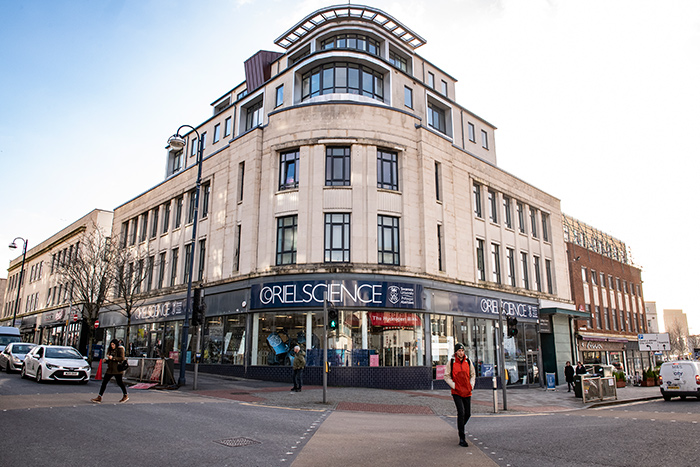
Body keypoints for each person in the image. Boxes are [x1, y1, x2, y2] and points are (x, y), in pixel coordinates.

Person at [444, 343, 476, 447]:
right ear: (456, 352)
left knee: (468, 414)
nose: (461, 353)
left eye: (462, 351)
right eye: (459, 351)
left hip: (467, 391)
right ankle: (462, 438)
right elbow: (446, 376)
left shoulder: (468, 362)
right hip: (457, 392)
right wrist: (454, 386)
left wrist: (471, 385)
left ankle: (460, 426)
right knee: (461, 412)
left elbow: (472, 374)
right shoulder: (452, 362)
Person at [91, 339, 129, 403]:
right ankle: (99, 396)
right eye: (111, 345)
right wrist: (106, 361)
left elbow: (122, 358)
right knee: (104, 383)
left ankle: (125, 395)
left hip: (117, 369)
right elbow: (110, 360)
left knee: (120, 383)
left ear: (116, 344)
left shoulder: (120, 349)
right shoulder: (110, 350)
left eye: (113, 345)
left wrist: (113, 358)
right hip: (110, 369)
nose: (112, 346)